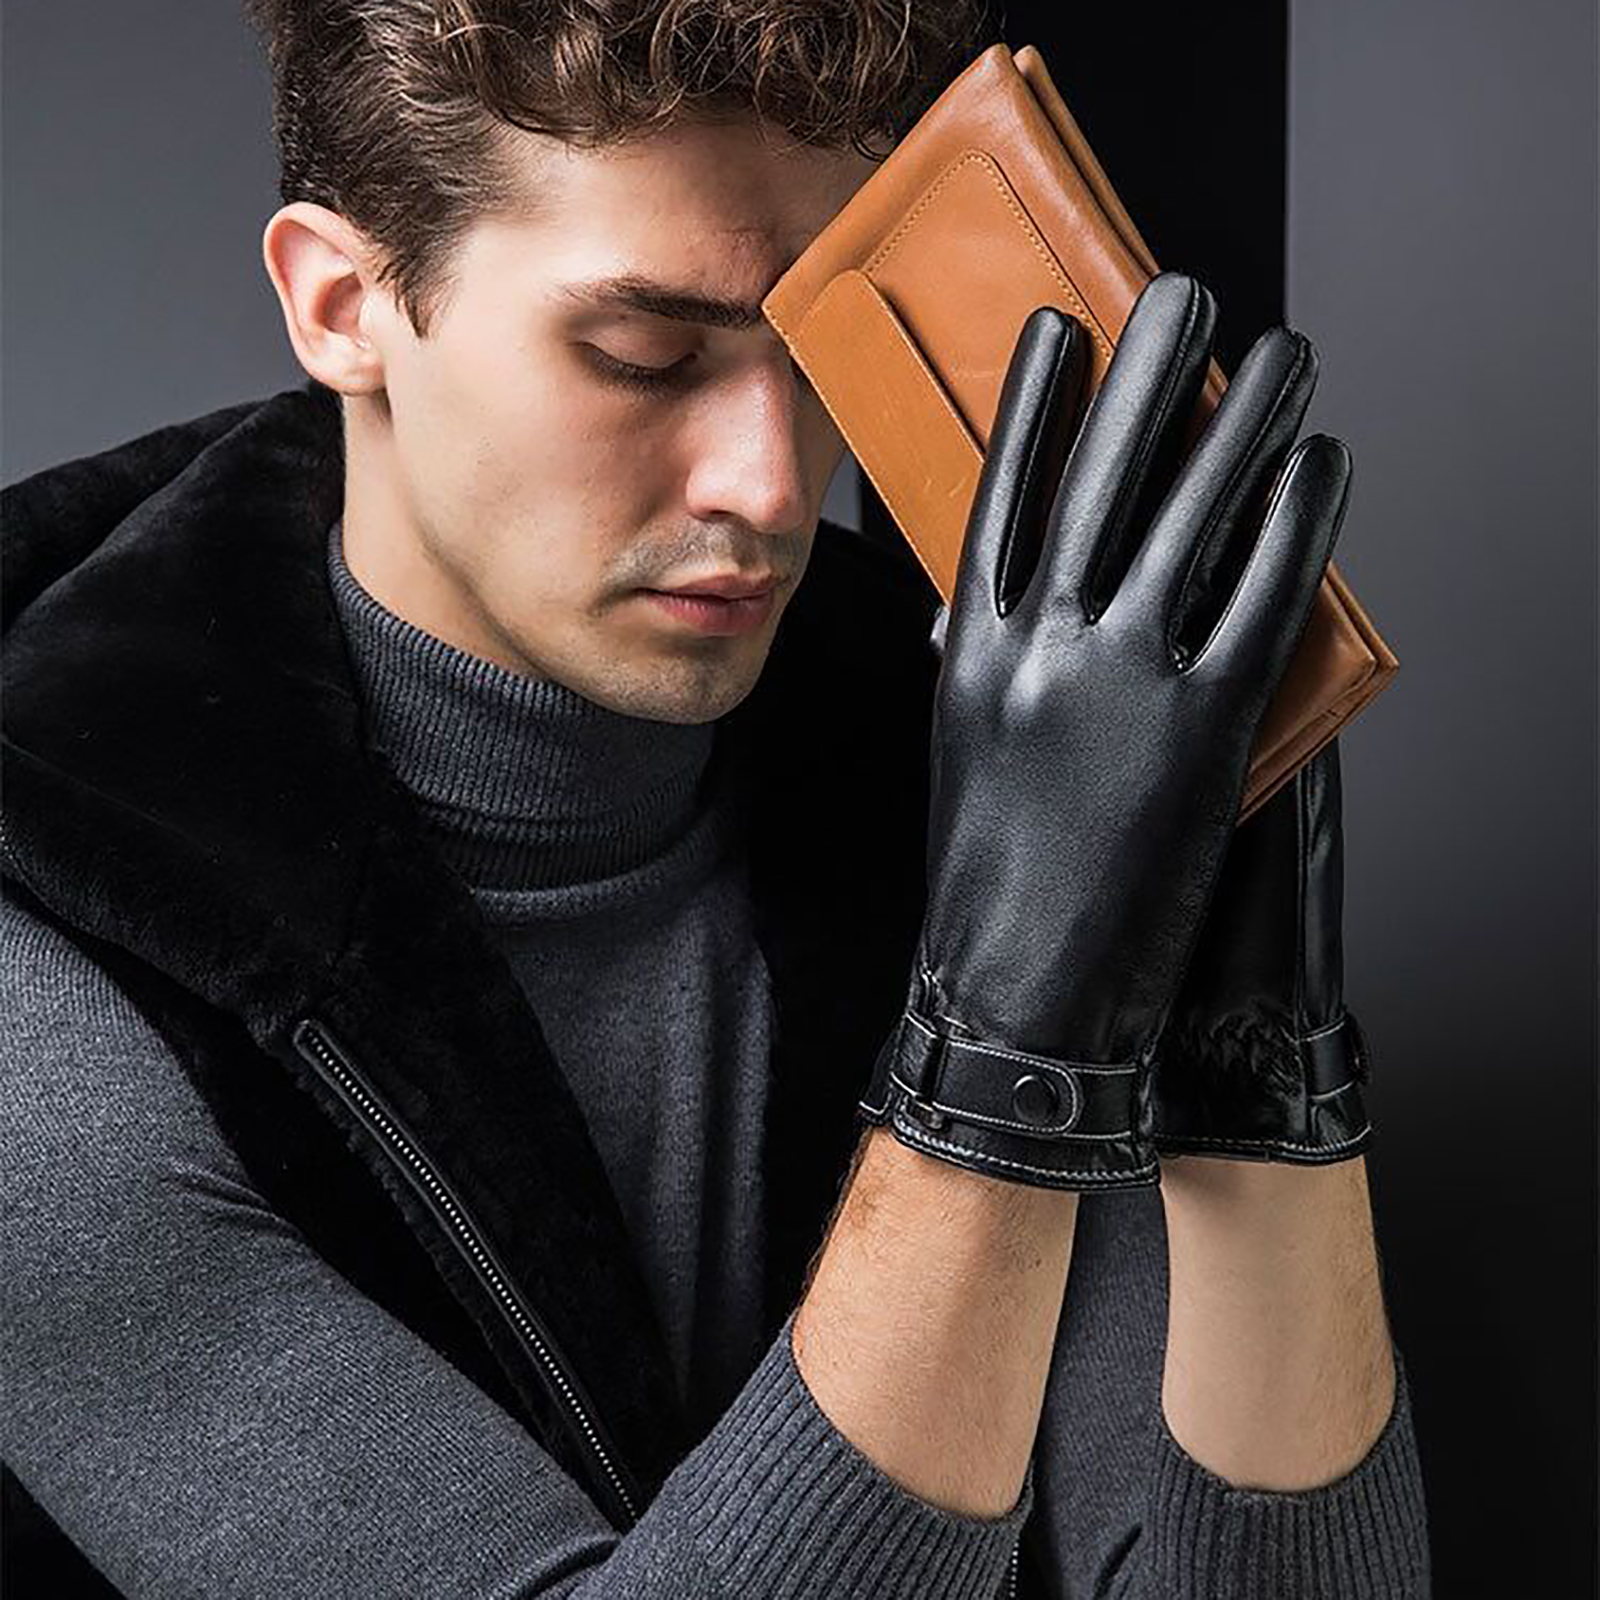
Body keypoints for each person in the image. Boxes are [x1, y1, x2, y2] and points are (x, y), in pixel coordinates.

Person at [0, 2, 1431, 1594]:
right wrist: (1001, 1064)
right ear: (344, 305)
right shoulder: (53, 981)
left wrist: (1253, 1069)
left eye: (819, 355)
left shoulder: (970, 768)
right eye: (646, 358)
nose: (769, 485)